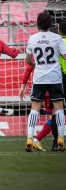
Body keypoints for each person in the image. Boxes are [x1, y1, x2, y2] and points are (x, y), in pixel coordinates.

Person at [24, 13, 65, 152]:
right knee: (59, 108)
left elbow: (28, 60)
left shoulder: (32, 39)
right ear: (50, 25)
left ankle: (30, 138)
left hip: (40, 77)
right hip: (54, 77)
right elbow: (65, 55)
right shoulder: (57, 38)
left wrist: (36, 65)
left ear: (37, 24)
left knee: (35, 108)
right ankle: (60, 137)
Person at [19, 62, 58, 152]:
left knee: (35, 110)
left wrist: (23, 86)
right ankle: (38, 140)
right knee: (55, 115)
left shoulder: (36, 49)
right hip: (52, 85)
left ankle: (30, 138)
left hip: (38, 85)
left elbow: (29, 68)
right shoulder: (56, 49)